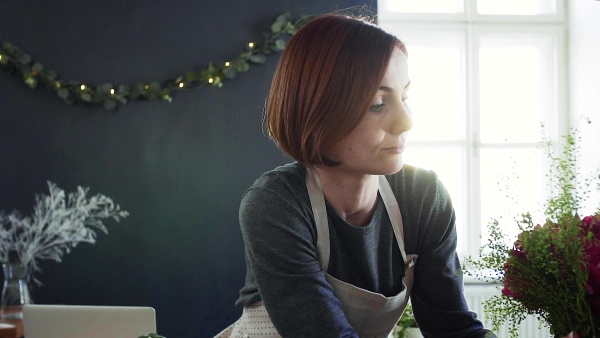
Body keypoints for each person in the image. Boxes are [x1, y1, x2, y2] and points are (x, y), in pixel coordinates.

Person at [215, 12, 495, 338]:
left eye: (405, 97)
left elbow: (454, 329)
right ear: (318, 111)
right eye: (378, 103)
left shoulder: (424, 197)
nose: (406, 122)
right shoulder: (275, 205)